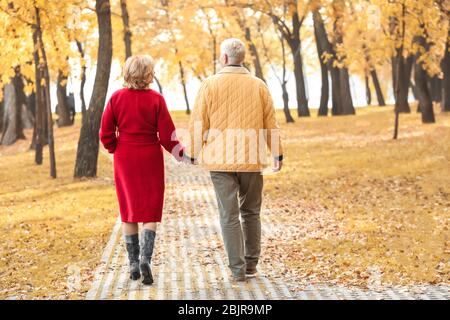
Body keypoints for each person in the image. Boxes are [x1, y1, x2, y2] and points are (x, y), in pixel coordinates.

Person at [185, 38, 283, 282]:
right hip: (251, 159)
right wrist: (277, 153)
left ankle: (237, 270)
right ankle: (251, 265)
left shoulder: (209, 85)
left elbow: (199, 121)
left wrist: (193, 153)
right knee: (251, 212)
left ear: (224, 58)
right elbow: (270, 122)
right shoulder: (258, 85)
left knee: (229, 215)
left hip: (220, 162)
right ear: (242, 59)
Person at [99, 55, 184, 285]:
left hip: (125, 157)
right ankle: (146, 259)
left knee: (128, 211)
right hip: (149, 157)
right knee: (149, 210)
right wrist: (182, 154)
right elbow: (168, 136)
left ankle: (134, 264)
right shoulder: (156, 99)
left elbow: (105, 132)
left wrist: (115, 147)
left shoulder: (116, 98)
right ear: (148, 74)